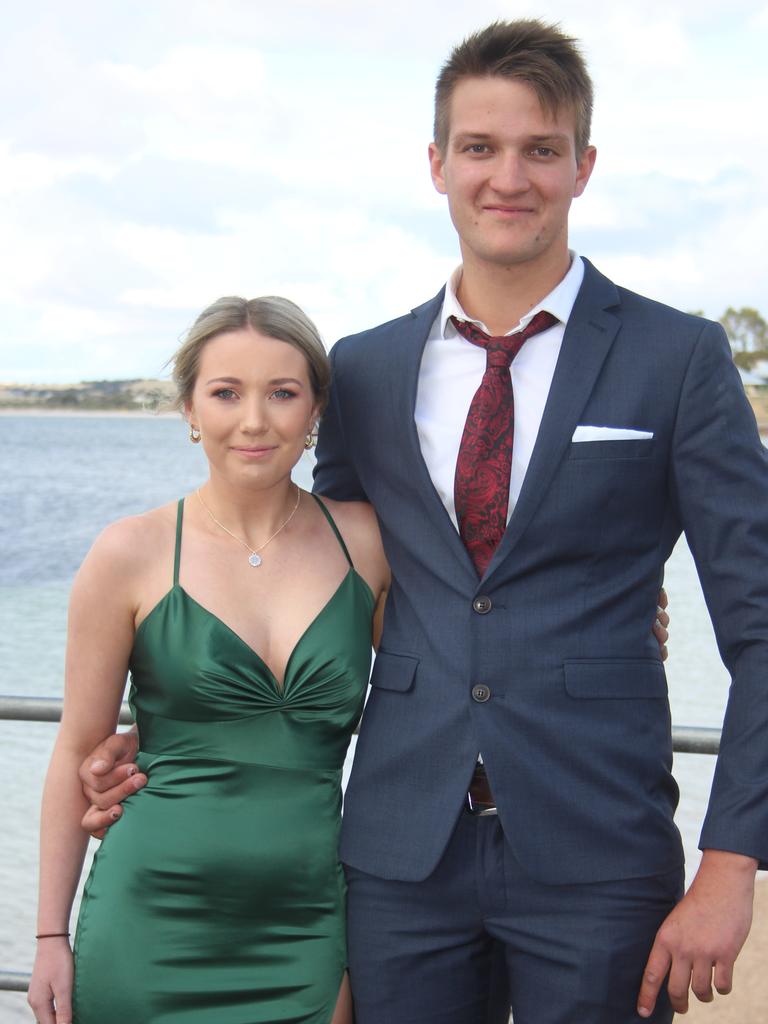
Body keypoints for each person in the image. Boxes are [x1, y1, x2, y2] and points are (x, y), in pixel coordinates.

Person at [74, 18, 750, 1024]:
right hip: (396, 860)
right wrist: (181, 728)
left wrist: (732, 863)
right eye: (479, 147)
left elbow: (763, 623)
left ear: (584, 166)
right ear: (437, 164)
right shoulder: (370, 370)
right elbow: (324, 572)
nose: (507, 177)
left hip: (598, 854)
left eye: (540, 149)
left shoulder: (679, 359)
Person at [27, 296, 390, 1024]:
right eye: (226, 393)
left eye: (282, 393)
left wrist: (640, 615)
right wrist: (47, 935)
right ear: (190, 409)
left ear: (315, 410)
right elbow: (77, 747)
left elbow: (466, 660)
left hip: (311, 925)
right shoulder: (129, 553)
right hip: (148, 920)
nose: (254, 420)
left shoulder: (368, 542)